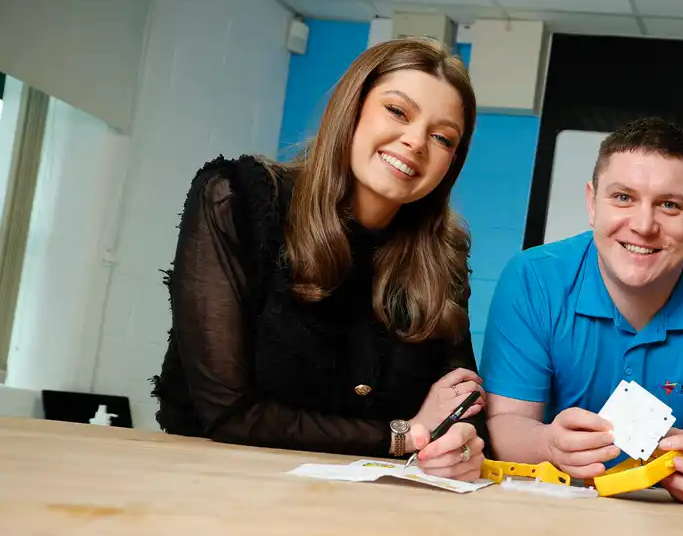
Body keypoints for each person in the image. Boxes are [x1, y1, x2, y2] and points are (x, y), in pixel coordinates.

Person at [151, 37, 487, 480]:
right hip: (218, 489)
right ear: (352, 110)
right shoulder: (237, 200)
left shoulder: (441, 256)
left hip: (373, 510)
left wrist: (460, 447)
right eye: (397, 111)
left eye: (442, 137)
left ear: (452, 162)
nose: (415, 141)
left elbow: (461, 403)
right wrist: (402, 435)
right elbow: (229, 411)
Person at [480, 117, 683, 502]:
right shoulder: (532, 279)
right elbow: (504, 424)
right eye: (623, 198)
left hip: (674, 529)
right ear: (591, 203)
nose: (643, 225)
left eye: (669, 205)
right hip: (545, 510)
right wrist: (548, 444)